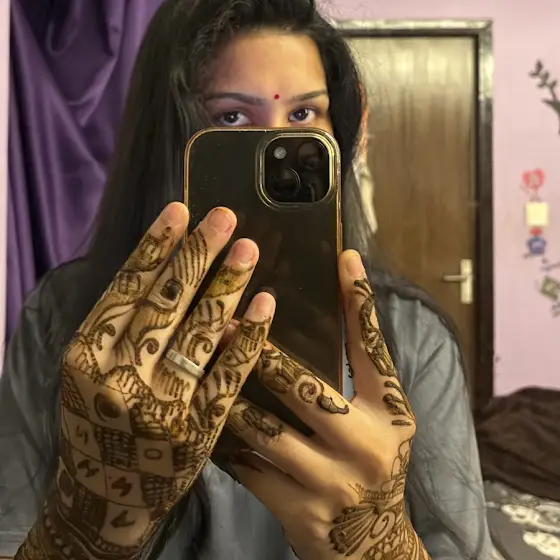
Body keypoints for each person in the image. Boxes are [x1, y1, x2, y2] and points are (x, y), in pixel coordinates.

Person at [0, 0, 493, 558]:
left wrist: (381, 544)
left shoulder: (414, 333)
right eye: (231, 118)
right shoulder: (64, 316)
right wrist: (85, 527)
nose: (278, 147)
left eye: (304, 114)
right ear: (170, 139)